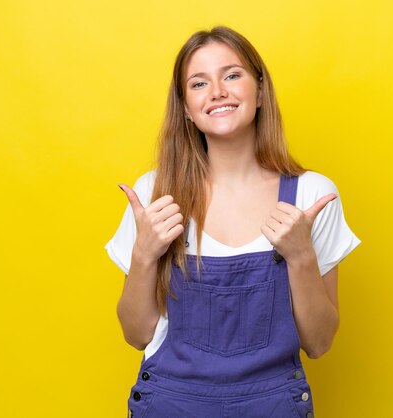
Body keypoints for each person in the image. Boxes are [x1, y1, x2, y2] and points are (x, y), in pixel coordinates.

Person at [105, 26, 361, 418]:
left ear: (260, 90)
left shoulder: (311, 195)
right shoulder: (156, 193)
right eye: (198, 83)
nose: (217, 92)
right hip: (170, 405)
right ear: (186, 108)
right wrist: (143, 254)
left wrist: (301, 257)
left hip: (274, 406)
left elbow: (320, 342)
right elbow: (136, 335)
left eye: (232, 75)